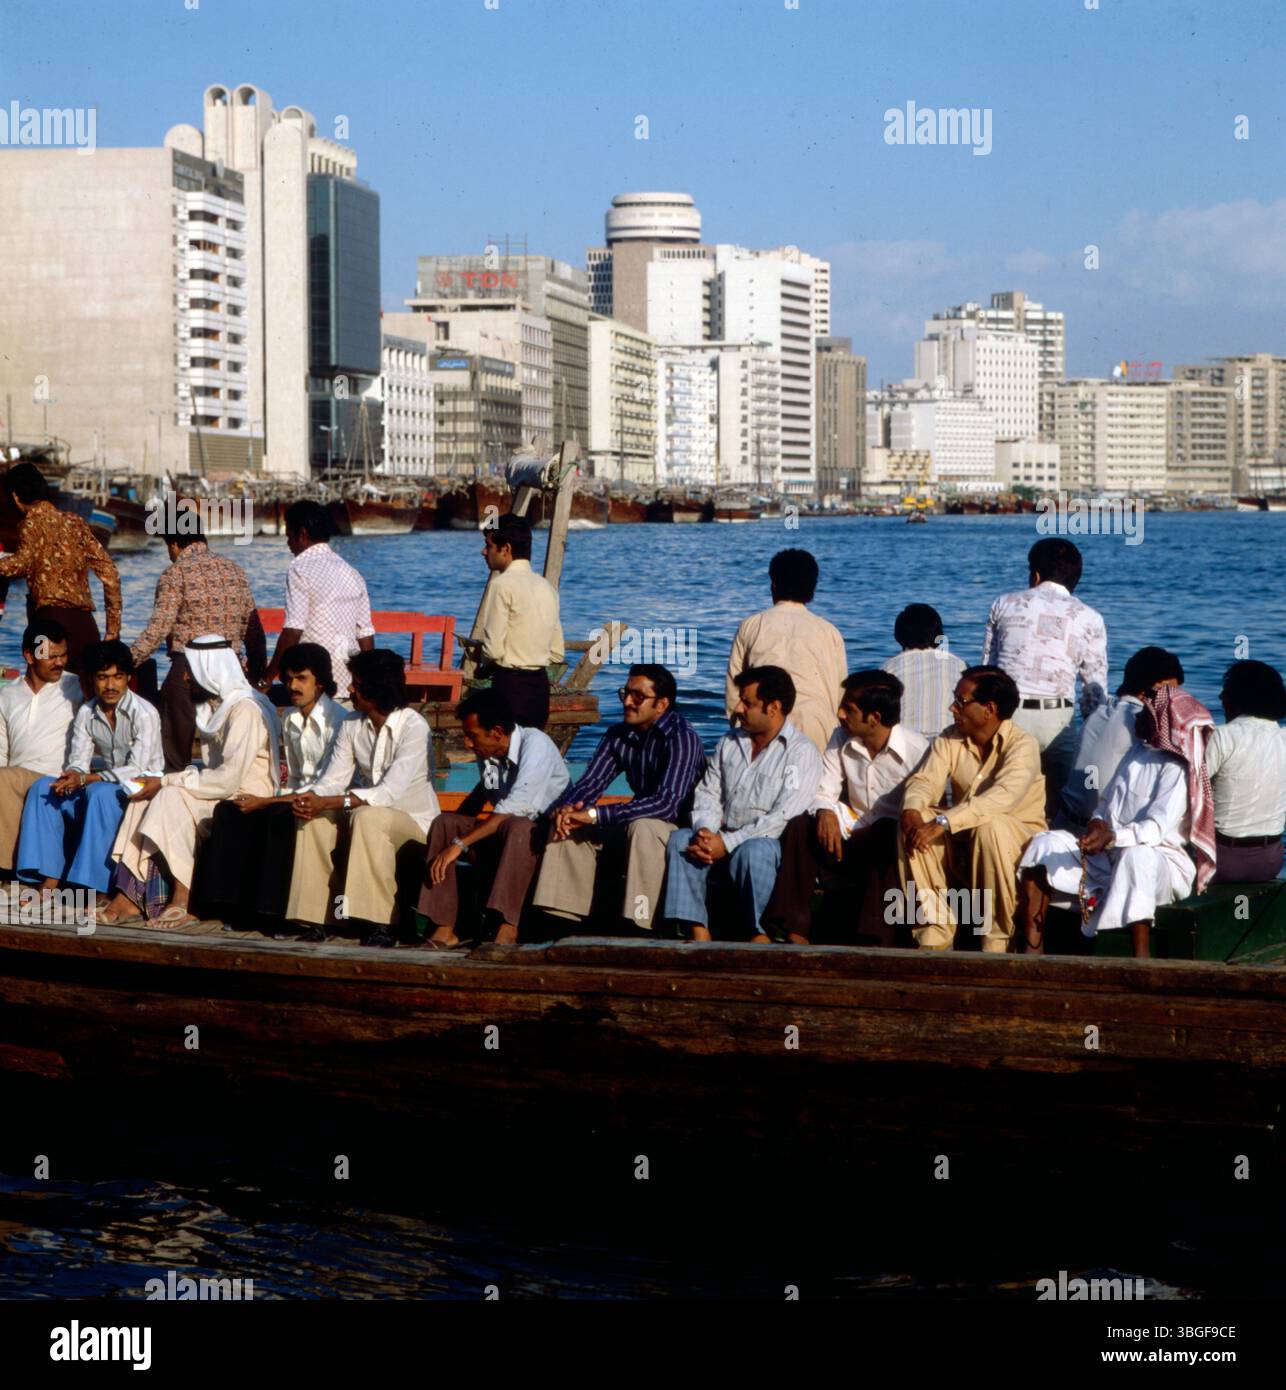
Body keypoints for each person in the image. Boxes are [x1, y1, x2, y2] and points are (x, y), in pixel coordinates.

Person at [1019, 684, 1215, 958]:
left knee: (1137, 857)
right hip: (1110, 855)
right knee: (1046, 843)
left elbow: (1156, 830)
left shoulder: (1177, 769)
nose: (1136, 719)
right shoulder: (1136, 753)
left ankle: (1140, 958)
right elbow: (1105, 804)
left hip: (1160, 862)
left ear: (1163, 721)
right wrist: (1097, 825)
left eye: (1145, 715)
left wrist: (1112, 838)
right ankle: (1032, 948)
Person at [102, 634, 281, 927]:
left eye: (191, 670)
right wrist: (164, 781)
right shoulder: (217, 706)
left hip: (244, 797)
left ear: (210, 670)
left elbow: (227, 779)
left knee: (170, 796)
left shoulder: (246, 709)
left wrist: (167, 782)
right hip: (218, 790)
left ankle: (183, 897)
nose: (185, 677)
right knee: (144, 798)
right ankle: (128, 895)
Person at [531, 663, 705, 934]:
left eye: (638, 696)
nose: (627, 701)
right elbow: (590, 783)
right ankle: (561, 921)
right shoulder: (619, 734)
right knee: (570, 824)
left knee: (644, 827)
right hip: (638, 820)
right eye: (625, 692)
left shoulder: (682, 738)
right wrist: (570, 807)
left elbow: (666, 805)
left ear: (661, 704)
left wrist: (594, 814)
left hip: (678, 828)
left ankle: (642, 925)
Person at [761, 670, 929, 946]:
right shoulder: (841, 737)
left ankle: (873, 937)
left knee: (886, 831)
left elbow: (926, 805)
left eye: (849, 709)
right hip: (849, 835)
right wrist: (825, 812)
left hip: (889, 844)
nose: (839, 714)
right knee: (800, 825)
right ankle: (793, 928)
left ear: (874, 718)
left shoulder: (917, 750)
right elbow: (822, 789)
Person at [192, 643, 350, 930]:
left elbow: (328, 786)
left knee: (276, 816)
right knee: (230, 810)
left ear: (322, 682)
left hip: (327, 802)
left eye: (301, 678)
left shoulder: (338, 721)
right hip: (294, 798)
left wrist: (266, 802)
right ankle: (225, 904)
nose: (292, 686)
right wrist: (264, 799)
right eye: (288, 679)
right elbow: (290, 778)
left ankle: (270, 914)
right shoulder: (289, 717)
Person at [288, 649, 438, 946]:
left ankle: (379, 923)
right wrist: (311, 799)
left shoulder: (414, 728)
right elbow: (333, 780)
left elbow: (388, 793)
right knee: (314, 818)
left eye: (356, 684)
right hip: (369, 816)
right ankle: (318, 919)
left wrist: (331, 801)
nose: (350, 690)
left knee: (369, 816)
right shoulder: (353, 723)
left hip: (415, 824)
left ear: (377, 689)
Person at [664, 666, 822, 942]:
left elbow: (782, 817)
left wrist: (727, 844)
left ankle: (759, 933)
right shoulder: (729, 742)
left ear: (773, 708)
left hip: (769, 842)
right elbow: (709, 793)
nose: (737, 708)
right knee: (681, 839)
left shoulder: (801, 752)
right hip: (723, 835)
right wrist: (705, 832)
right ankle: (698, 930)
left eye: (747, 702)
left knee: (754, 850)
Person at [898, 665, 1046, 952]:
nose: (953, 708)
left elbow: (1001, 798)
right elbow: (925, 780)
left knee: (990, 826)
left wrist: (942, 822)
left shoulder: (1023, 745)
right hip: (967, 837)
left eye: (961, 702)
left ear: (989, 709)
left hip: (1017, 842)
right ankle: (934, 934)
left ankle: (997, 940)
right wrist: (912, 811)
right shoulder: (950, 737)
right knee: (916, 821)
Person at [419, 689, 568, 950]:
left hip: (541, 835)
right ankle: (444, 926)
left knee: (519, 826)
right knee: (444, 823)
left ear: (497, 732)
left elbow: (516, 807)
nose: (467, 743)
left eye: (472, 736)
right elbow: (484, 792)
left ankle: (507, 926)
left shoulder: (537, 744)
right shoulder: (487, 753)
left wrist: (459, 845)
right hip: (505, 830)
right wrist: (452, 832)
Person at [15, 640, 161, 899]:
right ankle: (50, 877)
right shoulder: (87, 712)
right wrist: (72, 775)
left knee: (100, 793)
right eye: (103, 678)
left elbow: (137, 769)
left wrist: (88, 778)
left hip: (142, 789)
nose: (110, 685)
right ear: (93, 680)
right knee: (43, 789)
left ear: (128, 678)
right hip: (104, 786)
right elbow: (78, 759)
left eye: (118, 677)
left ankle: (97, 887)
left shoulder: (144, 713)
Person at [130, 513, 267, 772]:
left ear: (173, 544)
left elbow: (158, 628)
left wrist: (127, 660)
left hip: (188, 671)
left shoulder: (175, 573)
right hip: (231, 669)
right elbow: (254, 630)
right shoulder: (235, 571)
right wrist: (258, 677)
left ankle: (172, 780)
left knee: (172, 746)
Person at [982, 537, 1107, 815]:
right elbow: (1093, 692)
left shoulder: (1003, 604)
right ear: (1075, 579)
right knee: (1062, 809)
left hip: (1009, 716)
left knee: (1003, 805)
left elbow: (988, 674)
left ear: (1034, 575)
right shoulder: (1090, 617)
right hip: (1058, 720)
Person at [725, 548, 848, 754]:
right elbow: (840, 694)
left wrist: (741, 736)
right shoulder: (829, 631)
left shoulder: (752, 625)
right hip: (818, 731)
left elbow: (734, 690)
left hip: (763, 726)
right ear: (813, 588)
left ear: (773, 584)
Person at [0, 462, 121, 664]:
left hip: (50, 625)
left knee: (47, 690)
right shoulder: (76, 522)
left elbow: (20, 564)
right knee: (83, 692)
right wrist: (113, 629)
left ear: (15, 496)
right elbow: (110, 573)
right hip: (86, 627)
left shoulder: (30, 523)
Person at [258, 500, 374, 703]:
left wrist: (266, 679)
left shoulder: (300, 569)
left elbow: (293, 631)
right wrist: (365, 681)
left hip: (315, 683)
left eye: (288, 537)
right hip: (348, 683)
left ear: (301, 534)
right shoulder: (352, 572)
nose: (288, 544)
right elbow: (365, 634)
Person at [1058, 647, 1183, 831]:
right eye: (1171, 694)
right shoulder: (1141, 722)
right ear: (1151, 690)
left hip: (1064, 821)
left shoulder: (1099, 712)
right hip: (1096, 834)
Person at [0, 619, 83, 874]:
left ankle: (5, 870)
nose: (60, 662)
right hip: (15, 777)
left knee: (4, 779)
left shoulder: (77, 687)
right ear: (29, 656)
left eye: (63, 655)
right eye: (51, 656)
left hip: (57, 779)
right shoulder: (7, 695)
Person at [471, 513, 563, 728]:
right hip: (539, 689)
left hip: (510, 686)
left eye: (489, 545)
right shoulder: (547, 588)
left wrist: (485, 664)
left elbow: (493, 651)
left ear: (506, 549)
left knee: (504, 754)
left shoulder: (502, 585)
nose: (484, 552)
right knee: (530, 752)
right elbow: (557, 651)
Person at [1205, 660, 1286, 884]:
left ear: (1240, 697)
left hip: (1223, 860)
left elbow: (1192, 791)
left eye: (1227, 691)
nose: (1221, 697)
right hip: (1271, 860)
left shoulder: (1222, 736)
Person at [882, 603, 966, 738]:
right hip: (949, 742)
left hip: (906, 745)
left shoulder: (888, 669)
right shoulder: (960, 666)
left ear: (898, 636)